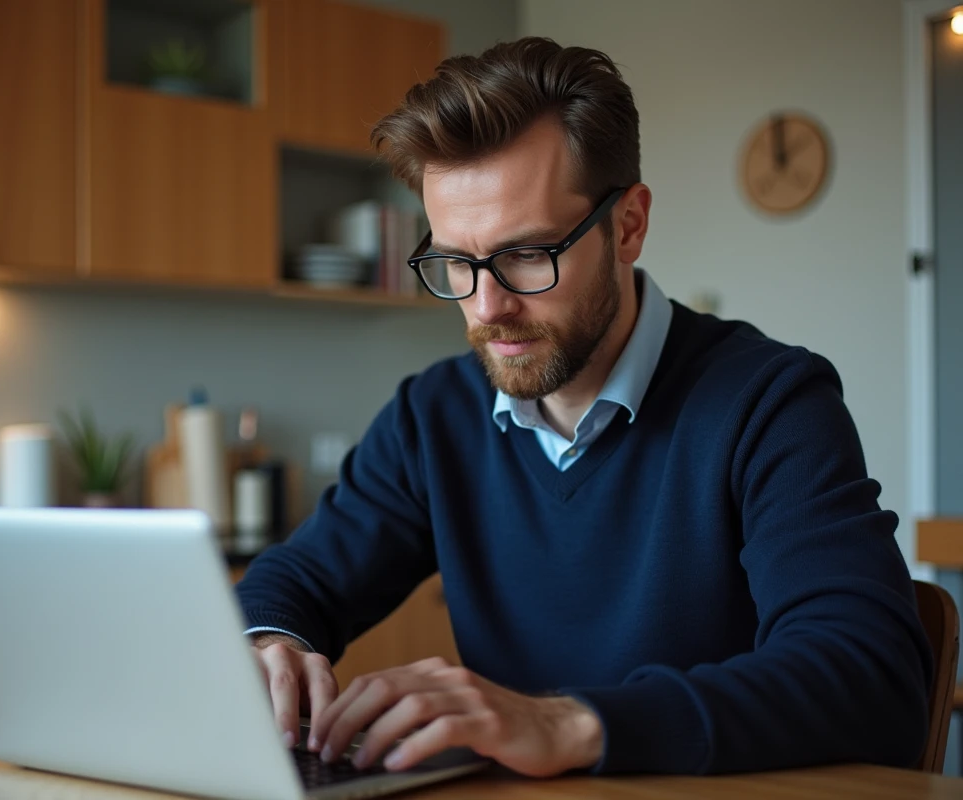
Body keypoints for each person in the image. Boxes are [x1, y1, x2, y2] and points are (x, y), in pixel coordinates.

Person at [234, 37, 932, 777]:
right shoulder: (432, 415)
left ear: (627, 225)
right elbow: (298, 580)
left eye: (528, 254)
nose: (487, 305)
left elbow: (871, 679)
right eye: (454, 263)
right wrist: (271, 644)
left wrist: (567, 723)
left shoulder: (769, 404)